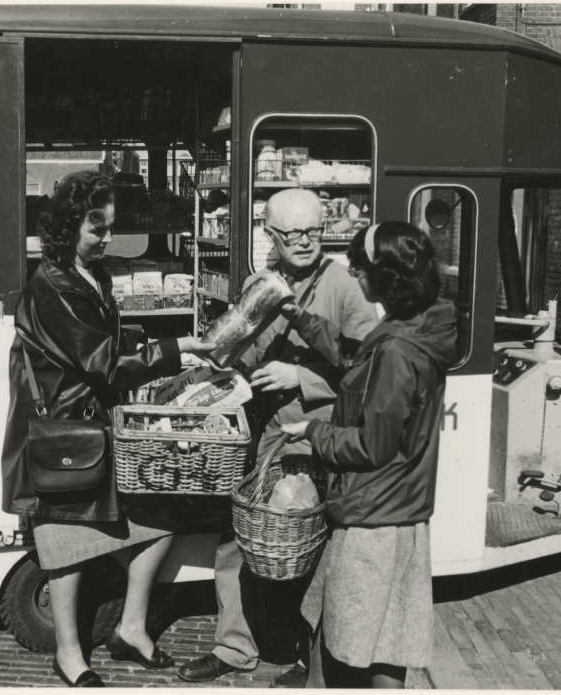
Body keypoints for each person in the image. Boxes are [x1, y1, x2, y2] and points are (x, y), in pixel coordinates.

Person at [0, 171, 215, 688]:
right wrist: (177, 349)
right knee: (67, 544)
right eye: (98, 228)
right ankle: (69, 655)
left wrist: (150, 347)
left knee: (159, 520)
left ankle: (131, 628)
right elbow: (104, 363)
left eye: (111, 227)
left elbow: (104, 344)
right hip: (66, 434)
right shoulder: (53, 286)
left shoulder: (89, 275)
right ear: (69, 225)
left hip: (92, 426)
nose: (108, 238)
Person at [176, 188, 378, 687]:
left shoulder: (343, 287)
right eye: (293, 233)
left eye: (314, 231)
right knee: (239, 536)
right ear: (270, 235)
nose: (305, 241)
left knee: (311, 548)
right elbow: (245, 353)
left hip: (320, 435)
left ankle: (309, 658)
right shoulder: (259, 284)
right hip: (265, 433)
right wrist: (210, 366)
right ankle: (234, 647)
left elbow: (372, 368)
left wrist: (302, 377)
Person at [279, 220, 458, 688]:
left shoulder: (397, 350)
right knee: (387, 641)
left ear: (385, 275)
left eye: (360, 269)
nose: (355, 277)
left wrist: (314, 431)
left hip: (372, 515)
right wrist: (300, 317)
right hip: (399, 509)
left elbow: (372, 445)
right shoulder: (417, 324)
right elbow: (355, 358)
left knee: (340, 642)